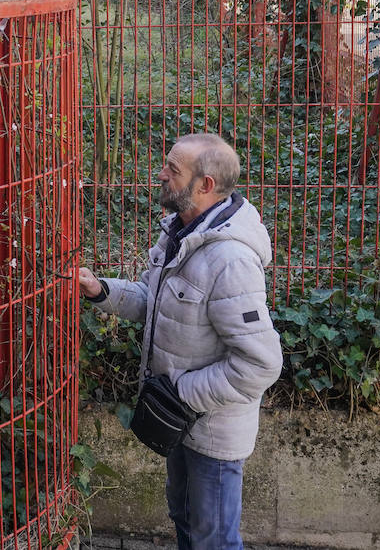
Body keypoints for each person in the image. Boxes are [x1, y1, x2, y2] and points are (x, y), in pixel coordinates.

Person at [78, 133, 282, 550]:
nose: (162, 175)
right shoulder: (180, 232)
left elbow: (261, 363)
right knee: (184, 521)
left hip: (212, 432)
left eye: (173, 169)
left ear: (205, 184)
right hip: (178, 422)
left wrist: (181, 393)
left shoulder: (231, 260)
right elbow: (152, 300)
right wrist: (100, 290)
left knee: (214, 541)